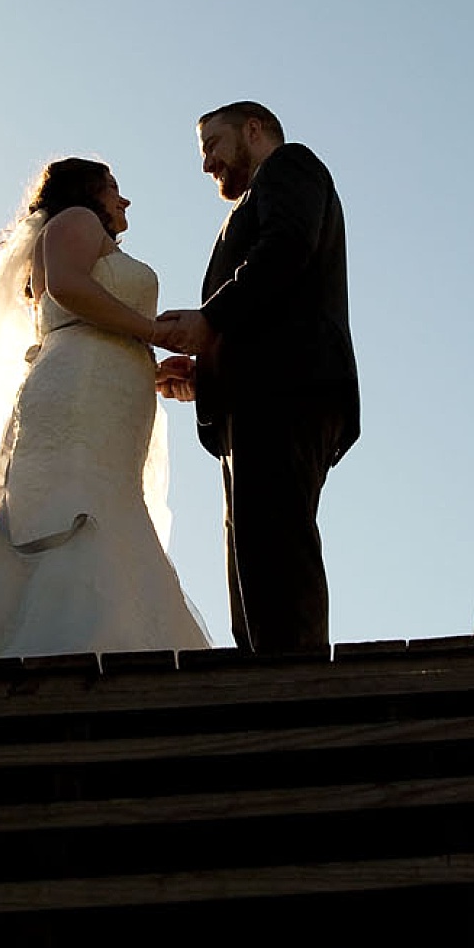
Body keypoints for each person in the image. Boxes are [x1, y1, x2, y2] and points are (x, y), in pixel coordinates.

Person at [0, 156, 214, 663]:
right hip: (76, 390)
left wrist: (151, 367)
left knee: (106, 498)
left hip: (106, 391)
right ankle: (71, 644)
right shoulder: (78, 220)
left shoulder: (92, 234)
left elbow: (89, 312)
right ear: (87, 191)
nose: (124, 200)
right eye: (114, 186)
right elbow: (67, 287)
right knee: (75, 500)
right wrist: (155, 333)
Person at [153, 104, 358, 654]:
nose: (206, 163)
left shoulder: (291, 166)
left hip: (286, 391)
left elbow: (287, 248)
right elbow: (271, 307)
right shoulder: (255, 198)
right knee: (253, 559)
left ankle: (294, 693)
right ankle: (269, 681)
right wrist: (205, 374)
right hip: (256, 396)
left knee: (275, 553)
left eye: (212, 144)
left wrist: (209, 321)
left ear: (253, 129)